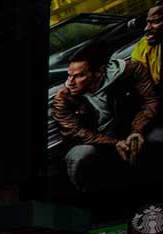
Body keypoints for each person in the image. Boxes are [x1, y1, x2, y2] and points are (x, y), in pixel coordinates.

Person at [52, 44, 161, 192]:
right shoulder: (64, 97)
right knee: (79, 155)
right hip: (97, 143)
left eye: (79, 76)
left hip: (129, 131)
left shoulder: (130, 71)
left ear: (100, 72)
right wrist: (114, 143)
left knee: (158, 137)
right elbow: (75, 132)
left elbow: (150, 101)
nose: (70, 82)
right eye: (69, 75)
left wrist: (137, 130)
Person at [131, 2, 162, 86]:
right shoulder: (144, 45)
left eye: (155, 21)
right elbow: (135, 70)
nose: (146, 28)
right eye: (147, 22)